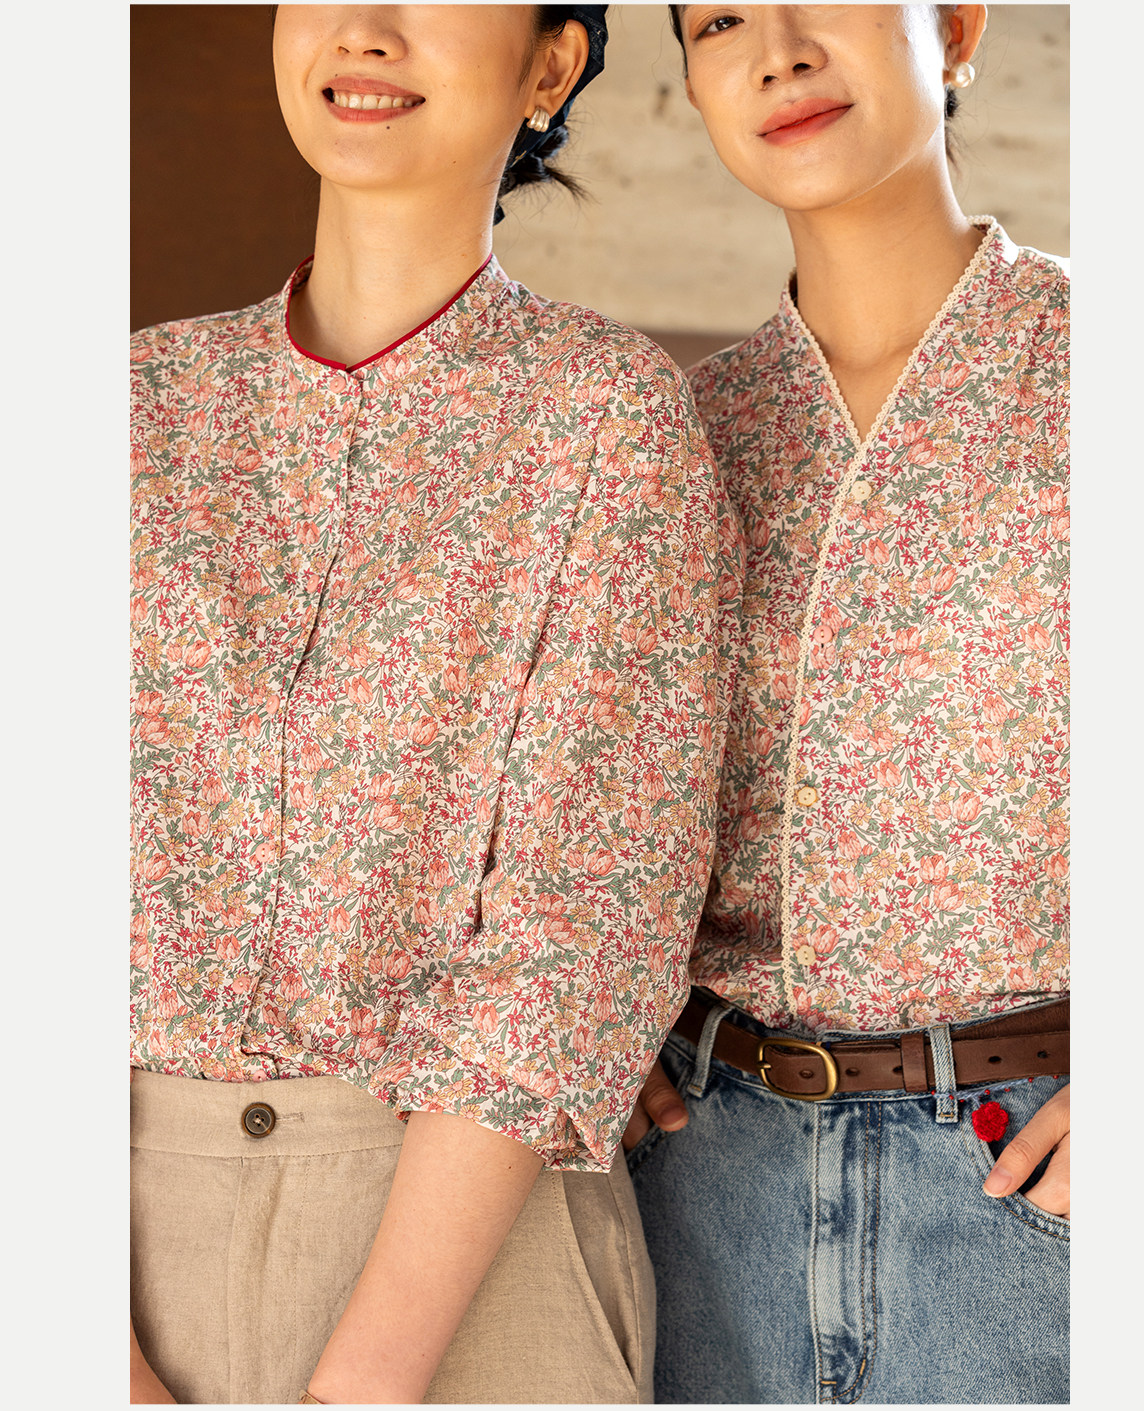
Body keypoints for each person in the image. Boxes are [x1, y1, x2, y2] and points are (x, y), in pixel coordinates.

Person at [129, 6, 740, 1404]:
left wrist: (363, 1387)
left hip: (471, 1260)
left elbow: (584, 921)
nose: (365, 28)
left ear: (550, 65)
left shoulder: (612, 421)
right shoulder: (126, 409)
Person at [623, 4, 1069, 1403]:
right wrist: (594, 1025)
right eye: (719, 19)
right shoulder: (678, 435)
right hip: (705, 1189)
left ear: (956, 27)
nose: (780, 49)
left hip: (1037, 1183)